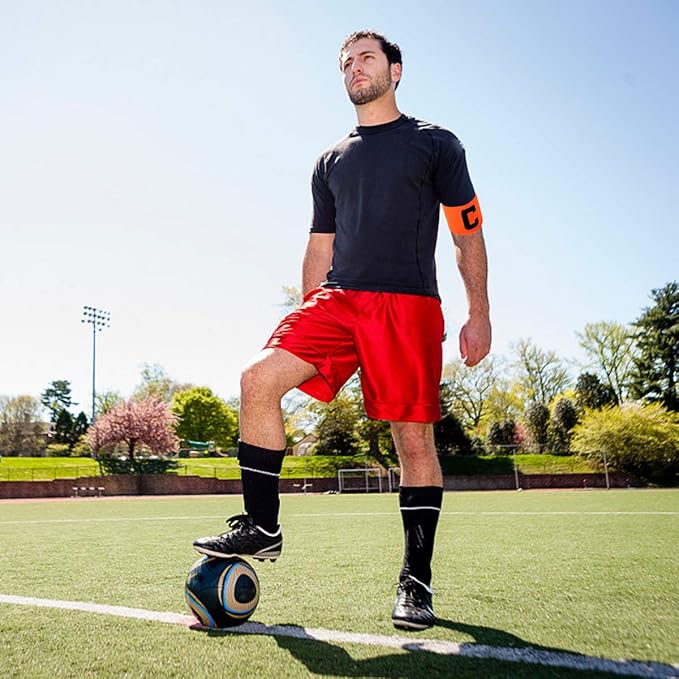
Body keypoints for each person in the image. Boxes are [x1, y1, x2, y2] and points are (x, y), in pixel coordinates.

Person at [193, 29, 491, 631]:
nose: (355, 69)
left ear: (395, 70)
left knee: (414, 444)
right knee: (258, 379)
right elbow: (318, 244)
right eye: (346, 62)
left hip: (407, 306)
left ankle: (416, 581)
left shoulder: (436, 144)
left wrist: (478, 311)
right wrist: (311, 316)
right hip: (337, 302)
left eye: (367, 58)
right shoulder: (330, 159)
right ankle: (263, 526)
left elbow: (466, 231)